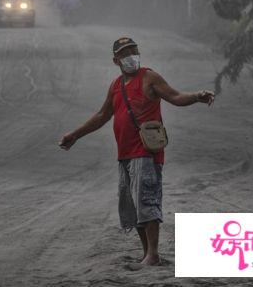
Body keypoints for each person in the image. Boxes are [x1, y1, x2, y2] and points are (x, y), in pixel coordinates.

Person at [59, 37, 215, 266]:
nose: (132, 55)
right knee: (133, 205)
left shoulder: (149, 77)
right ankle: (147, 254)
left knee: (147, 200)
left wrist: (196, 96)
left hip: (146, 152)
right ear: (116, 60)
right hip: (124, 154)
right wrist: (75, 135)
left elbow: (175, 96)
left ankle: (152, 253)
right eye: (126, 53)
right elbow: (102, 116)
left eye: (134, 50)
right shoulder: (116, 85)